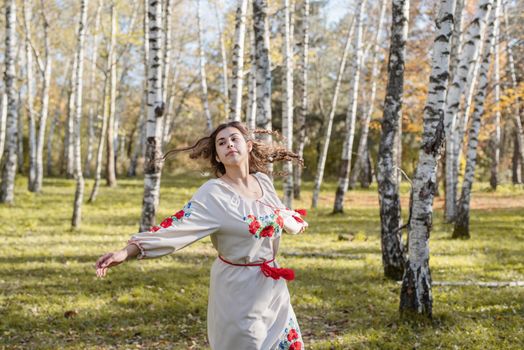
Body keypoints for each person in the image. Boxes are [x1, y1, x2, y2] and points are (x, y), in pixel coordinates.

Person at [95, 121, 308, 350]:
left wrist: (293, 221)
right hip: (238, 288)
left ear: (247, 145)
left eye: (234, 139)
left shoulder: (263, 182)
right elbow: (175, 227)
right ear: (217, 155)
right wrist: (127, 252)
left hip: (272, 287)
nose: (229, 144)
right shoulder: (214, 193)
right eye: (221, 142)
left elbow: (279, 213)